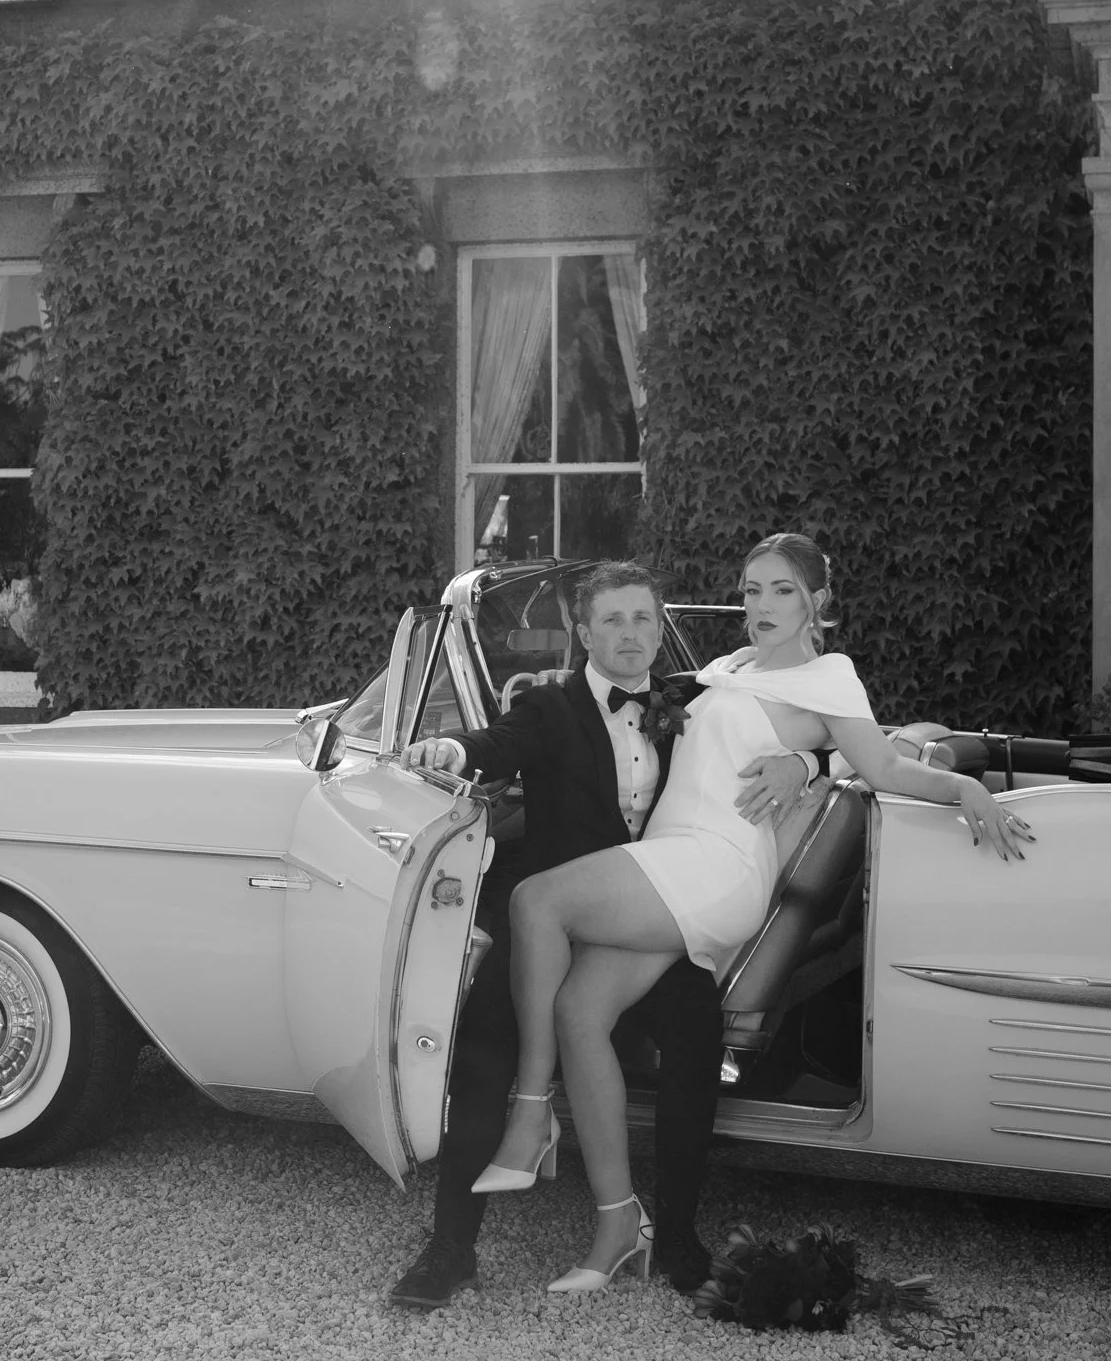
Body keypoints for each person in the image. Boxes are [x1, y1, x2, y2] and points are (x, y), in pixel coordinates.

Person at [476, 532, 1037, 1293]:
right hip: (666, 862)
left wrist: (964, 790)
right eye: (748, 590)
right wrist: (807, 760)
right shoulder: (725, 669)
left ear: (816, 602)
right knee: (579, 1010)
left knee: (535, 899)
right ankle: (616, 1224)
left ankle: (529, 1112)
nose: (761, 606)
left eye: (780, 590)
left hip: (716, 864)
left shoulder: (829, 676)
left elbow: (888, 757)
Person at [388, 559, 826, 1310]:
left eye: (644, 619)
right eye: (613, 620)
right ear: (583, 632)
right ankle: (451, 1248)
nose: (630, 633)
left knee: (694, 1028)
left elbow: (829, 723)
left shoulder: (694, 702)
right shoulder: (549, 707)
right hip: (555, 928)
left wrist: (804, 759)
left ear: (662, 629)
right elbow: (494, 743)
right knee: (484, 1046)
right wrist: (451, 752)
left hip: (647, 923)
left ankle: (678, 1233)